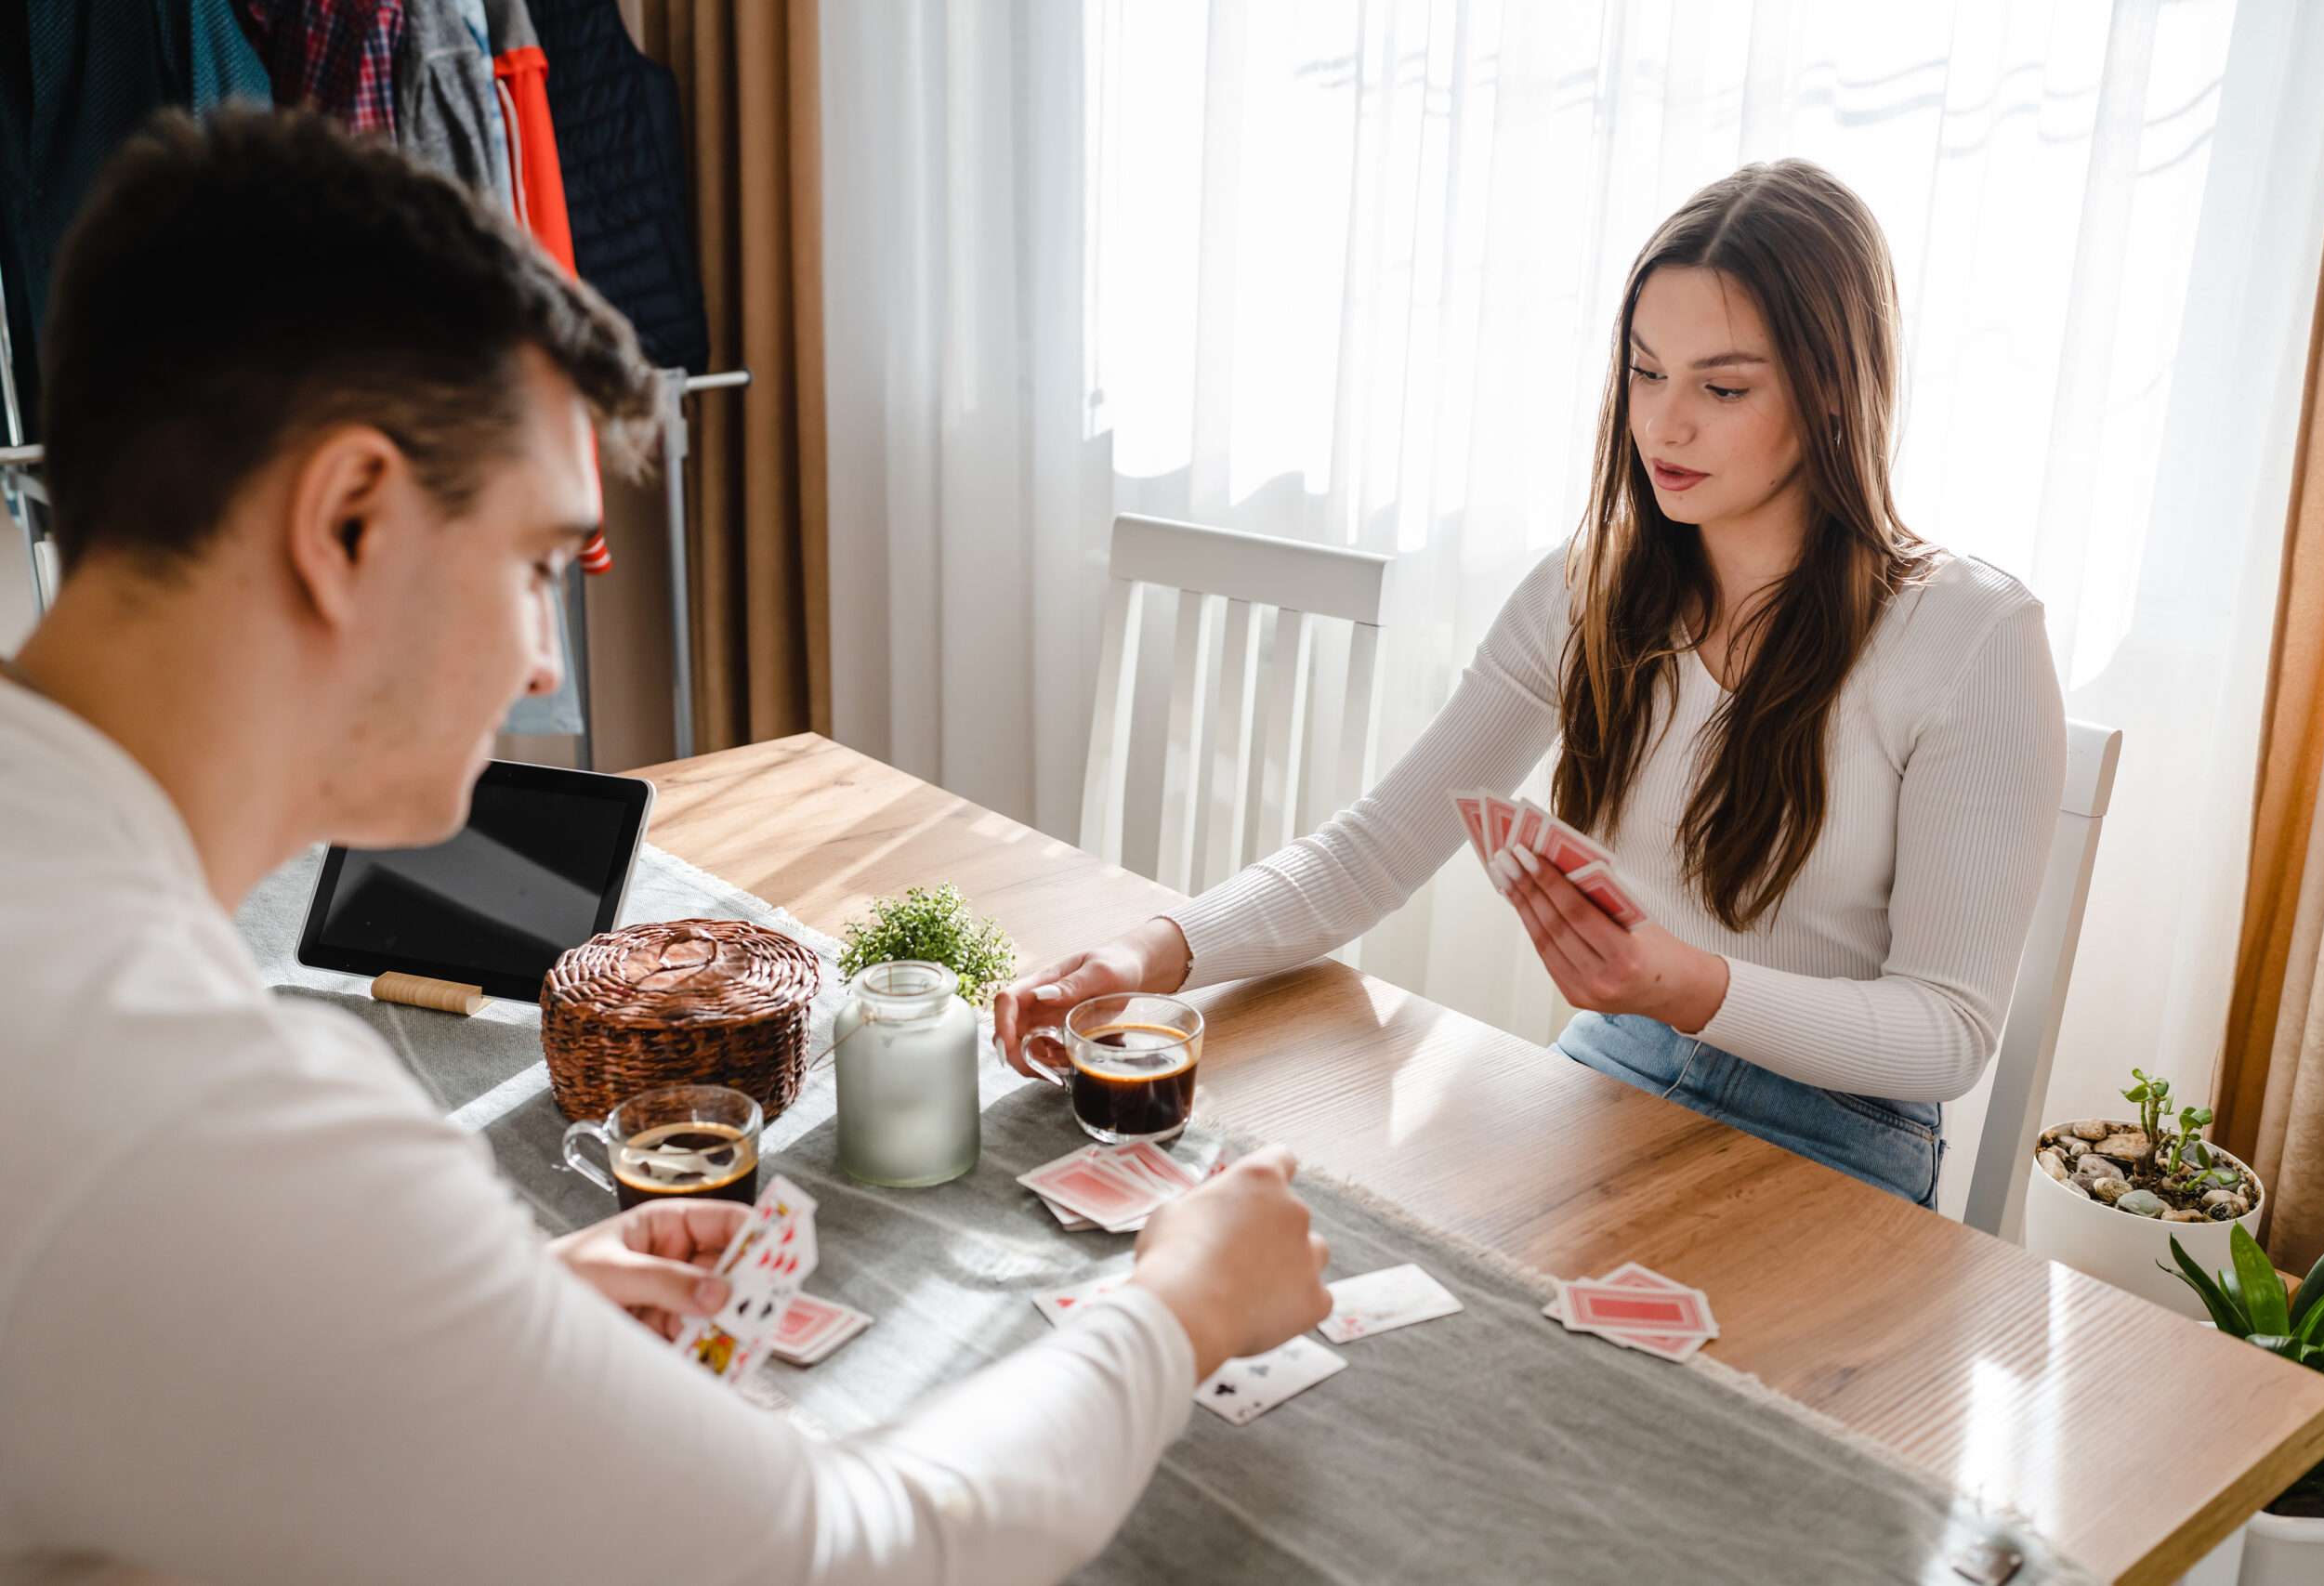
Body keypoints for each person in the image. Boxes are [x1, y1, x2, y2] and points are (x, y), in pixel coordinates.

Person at [0, 109, 1331, 1585]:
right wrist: (1178, 1305)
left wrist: (467, 1332)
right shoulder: (209, 1114)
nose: (539, 664)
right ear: (351, 517)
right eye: (532, 565)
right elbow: (860, 1553)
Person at [999, 160, 2066, 1211]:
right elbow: (1371, 852)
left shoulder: (1971, 636)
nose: (1663, 425)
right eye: (1645, 372)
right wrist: (1150, 952)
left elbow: (1946, 1033)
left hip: (1844, 1130)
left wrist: (1684, 987)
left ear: (1832, 388)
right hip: (1615, 1062)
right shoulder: (1590, 586)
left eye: (1722, 386)